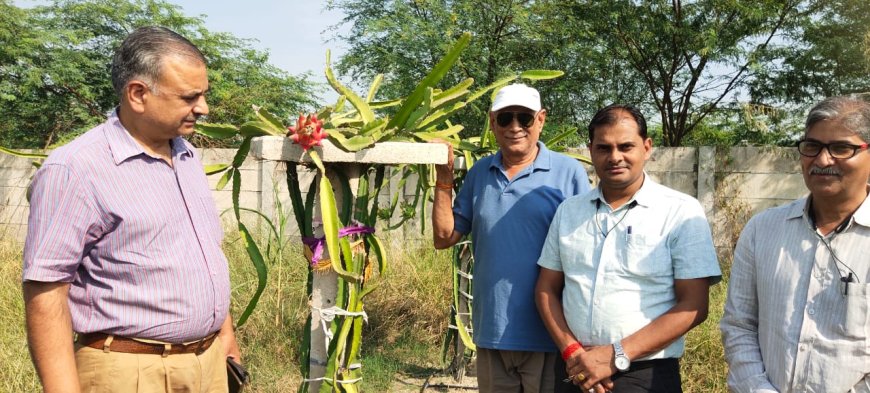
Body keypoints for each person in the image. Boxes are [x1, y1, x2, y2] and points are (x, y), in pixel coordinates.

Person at [22, 26, 240, 392]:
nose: (203, 108)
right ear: (138, 94)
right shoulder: (76, 168)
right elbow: (46, 291)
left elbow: (202, 257)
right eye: (190, 97)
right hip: (129, 373)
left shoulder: (187, 156)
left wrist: (226, 340)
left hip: (208, 363)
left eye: (204, 95)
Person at [535, 104, 721, 393]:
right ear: (590, 150)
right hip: (575, 369)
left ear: (646, 148)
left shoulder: (680, 212)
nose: (615, 157)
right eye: (604, 148)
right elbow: (546, 288)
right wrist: (572, 351)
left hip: (646, 375)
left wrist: (615, 355)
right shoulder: (568, 213)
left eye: (626, 146)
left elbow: (694, 306)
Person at [432, 83, 590, 392]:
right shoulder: (480, 173)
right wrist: (443, 180)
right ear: (493, 123)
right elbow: (444, 237)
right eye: (505, 118)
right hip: (492, 331)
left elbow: (587, 250)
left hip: (550, 335)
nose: (515, 127)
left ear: (541, 120)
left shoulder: (568, 173)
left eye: (524, 118)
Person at [721, 96, 870, 392]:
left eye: (842, 148)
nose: (823, 160)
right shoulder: (762, 230)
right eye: (812, 146)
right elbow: (740, 325)